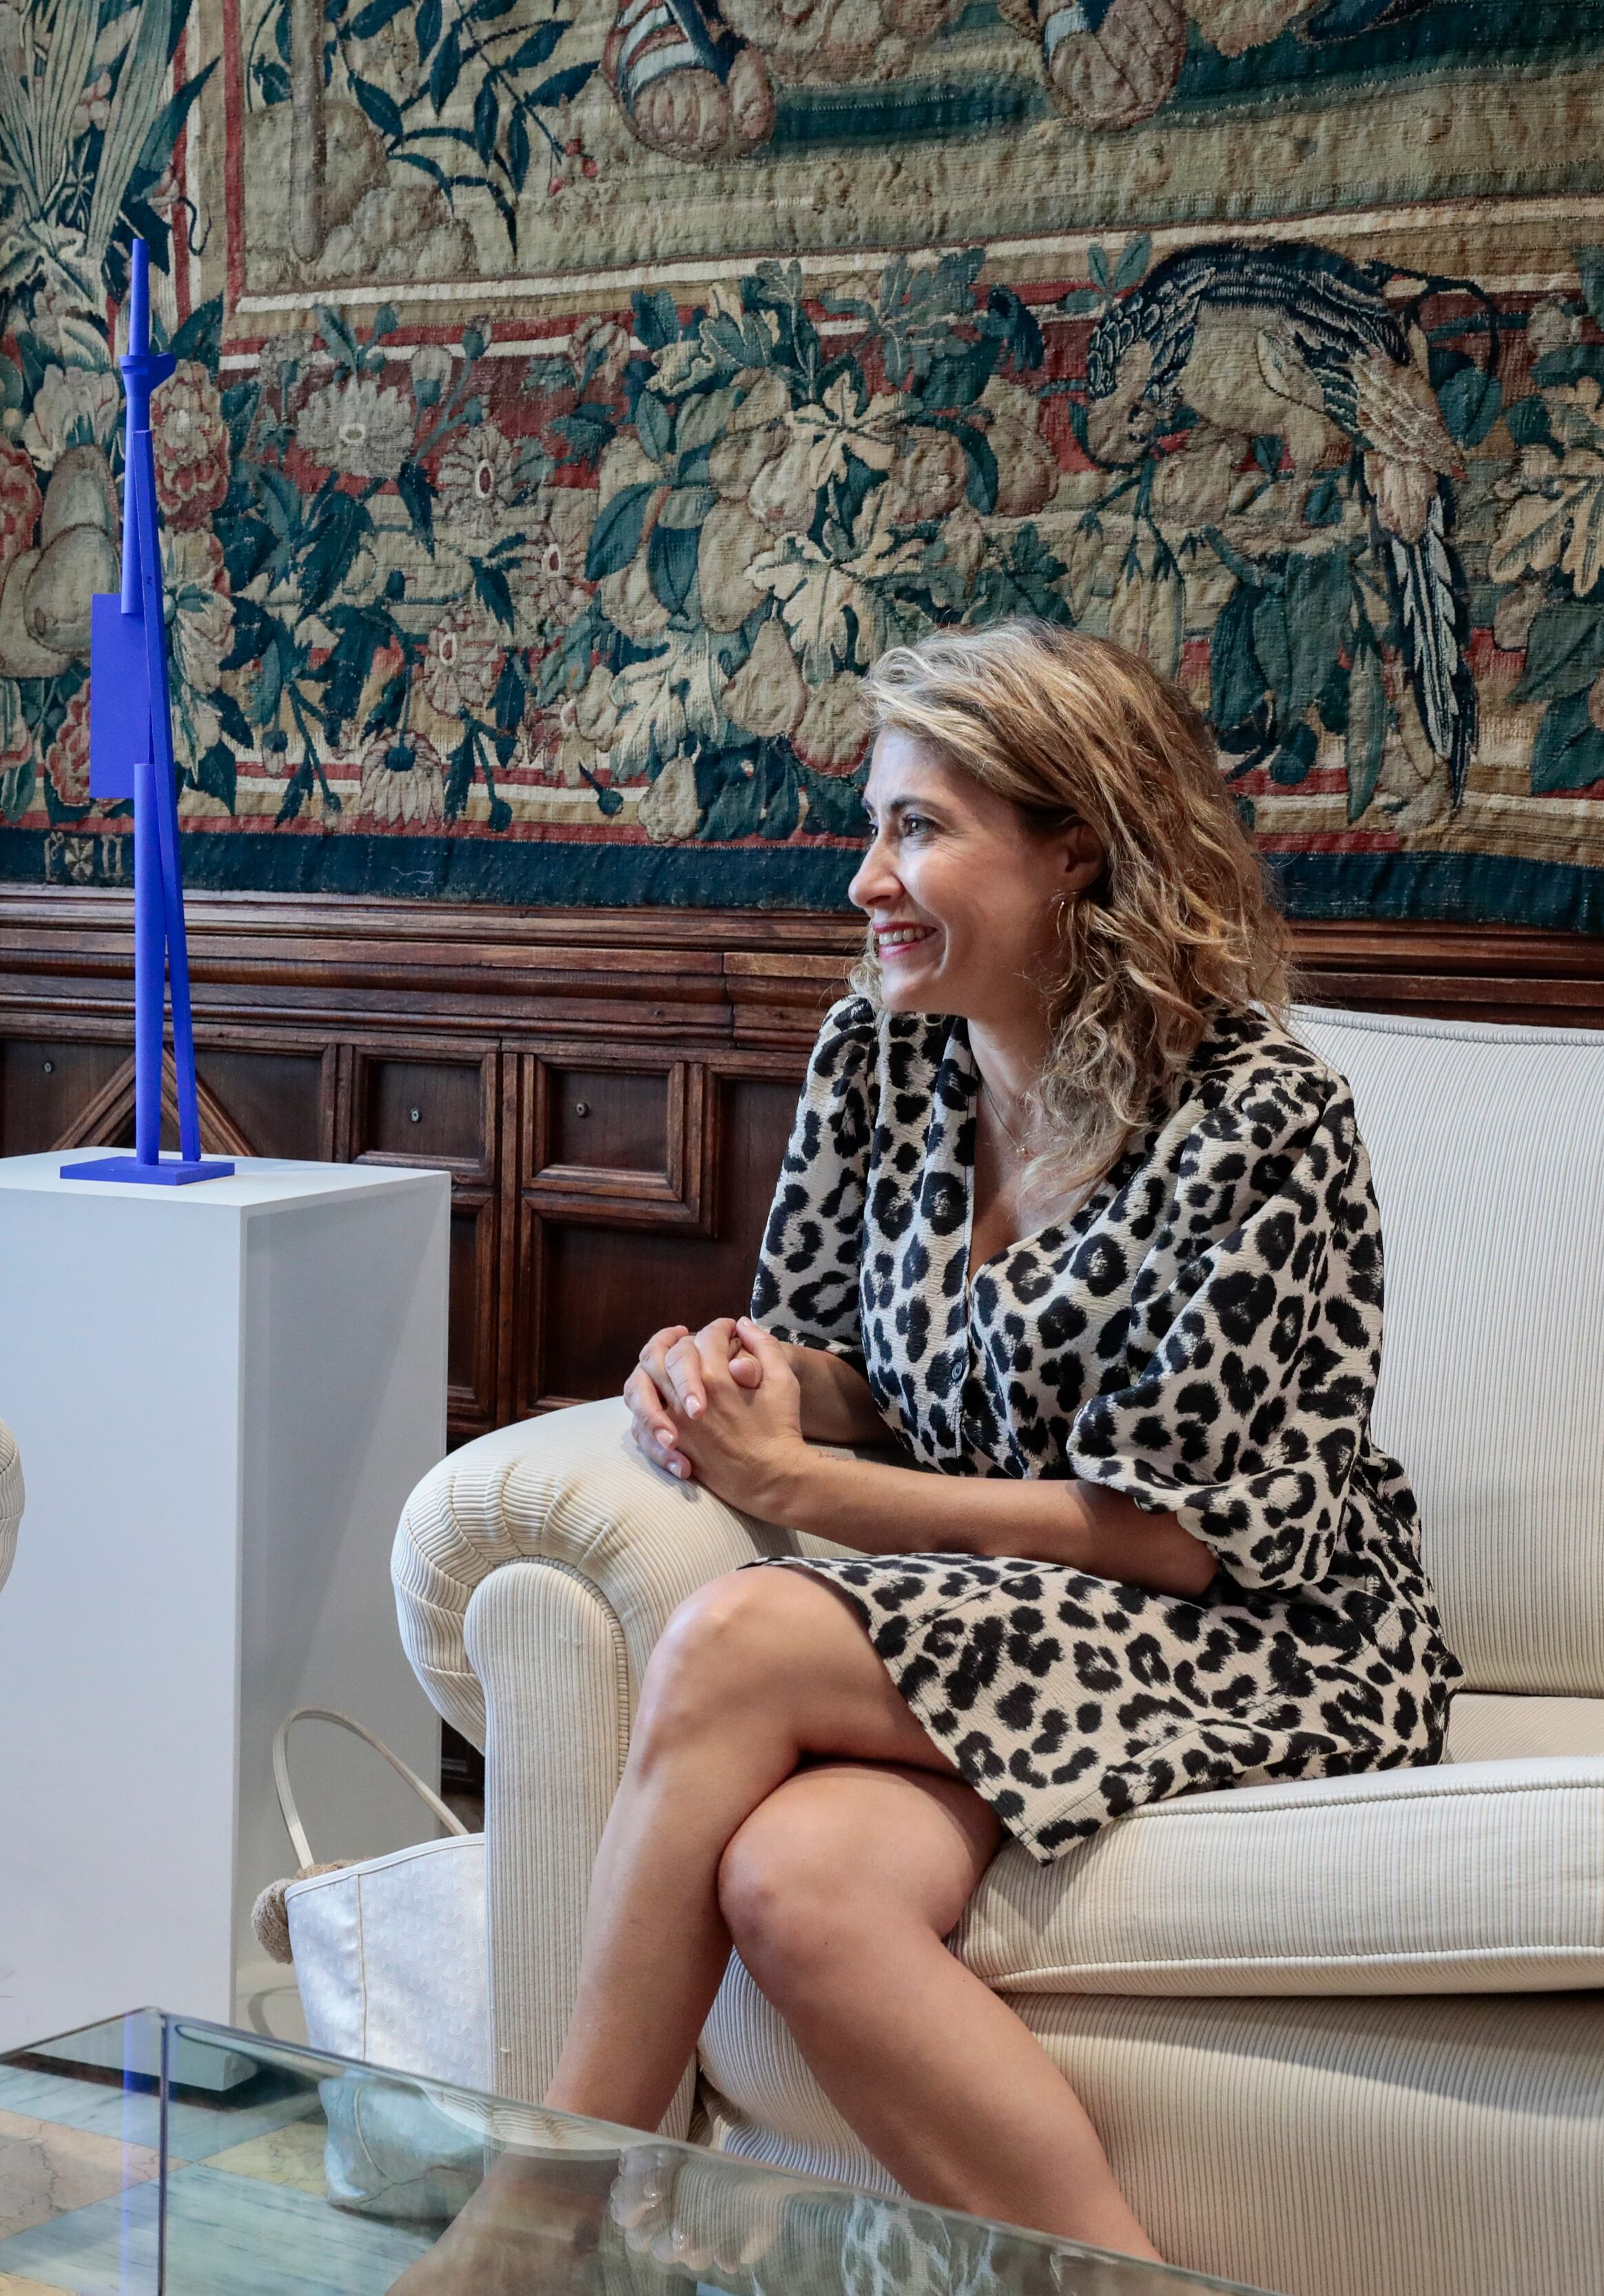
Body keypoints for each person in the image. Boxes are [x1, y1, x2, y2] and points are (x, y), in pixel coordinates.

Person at [419, 618, 1456, 2283]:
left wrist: (809, 1492)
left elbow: (1180, 1538)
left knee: (746, 1629)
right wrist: (726, 1381)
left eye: (919, 828)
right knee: (795, 1880)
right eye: (873, 826)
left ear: (1077, 851)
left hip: (1258, 1635)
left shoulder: (1260, 1120)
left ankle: (538, 2221)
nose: (865, 879)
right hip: (986, 1613)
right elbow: (836, 1364)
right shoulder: (883, 1055)